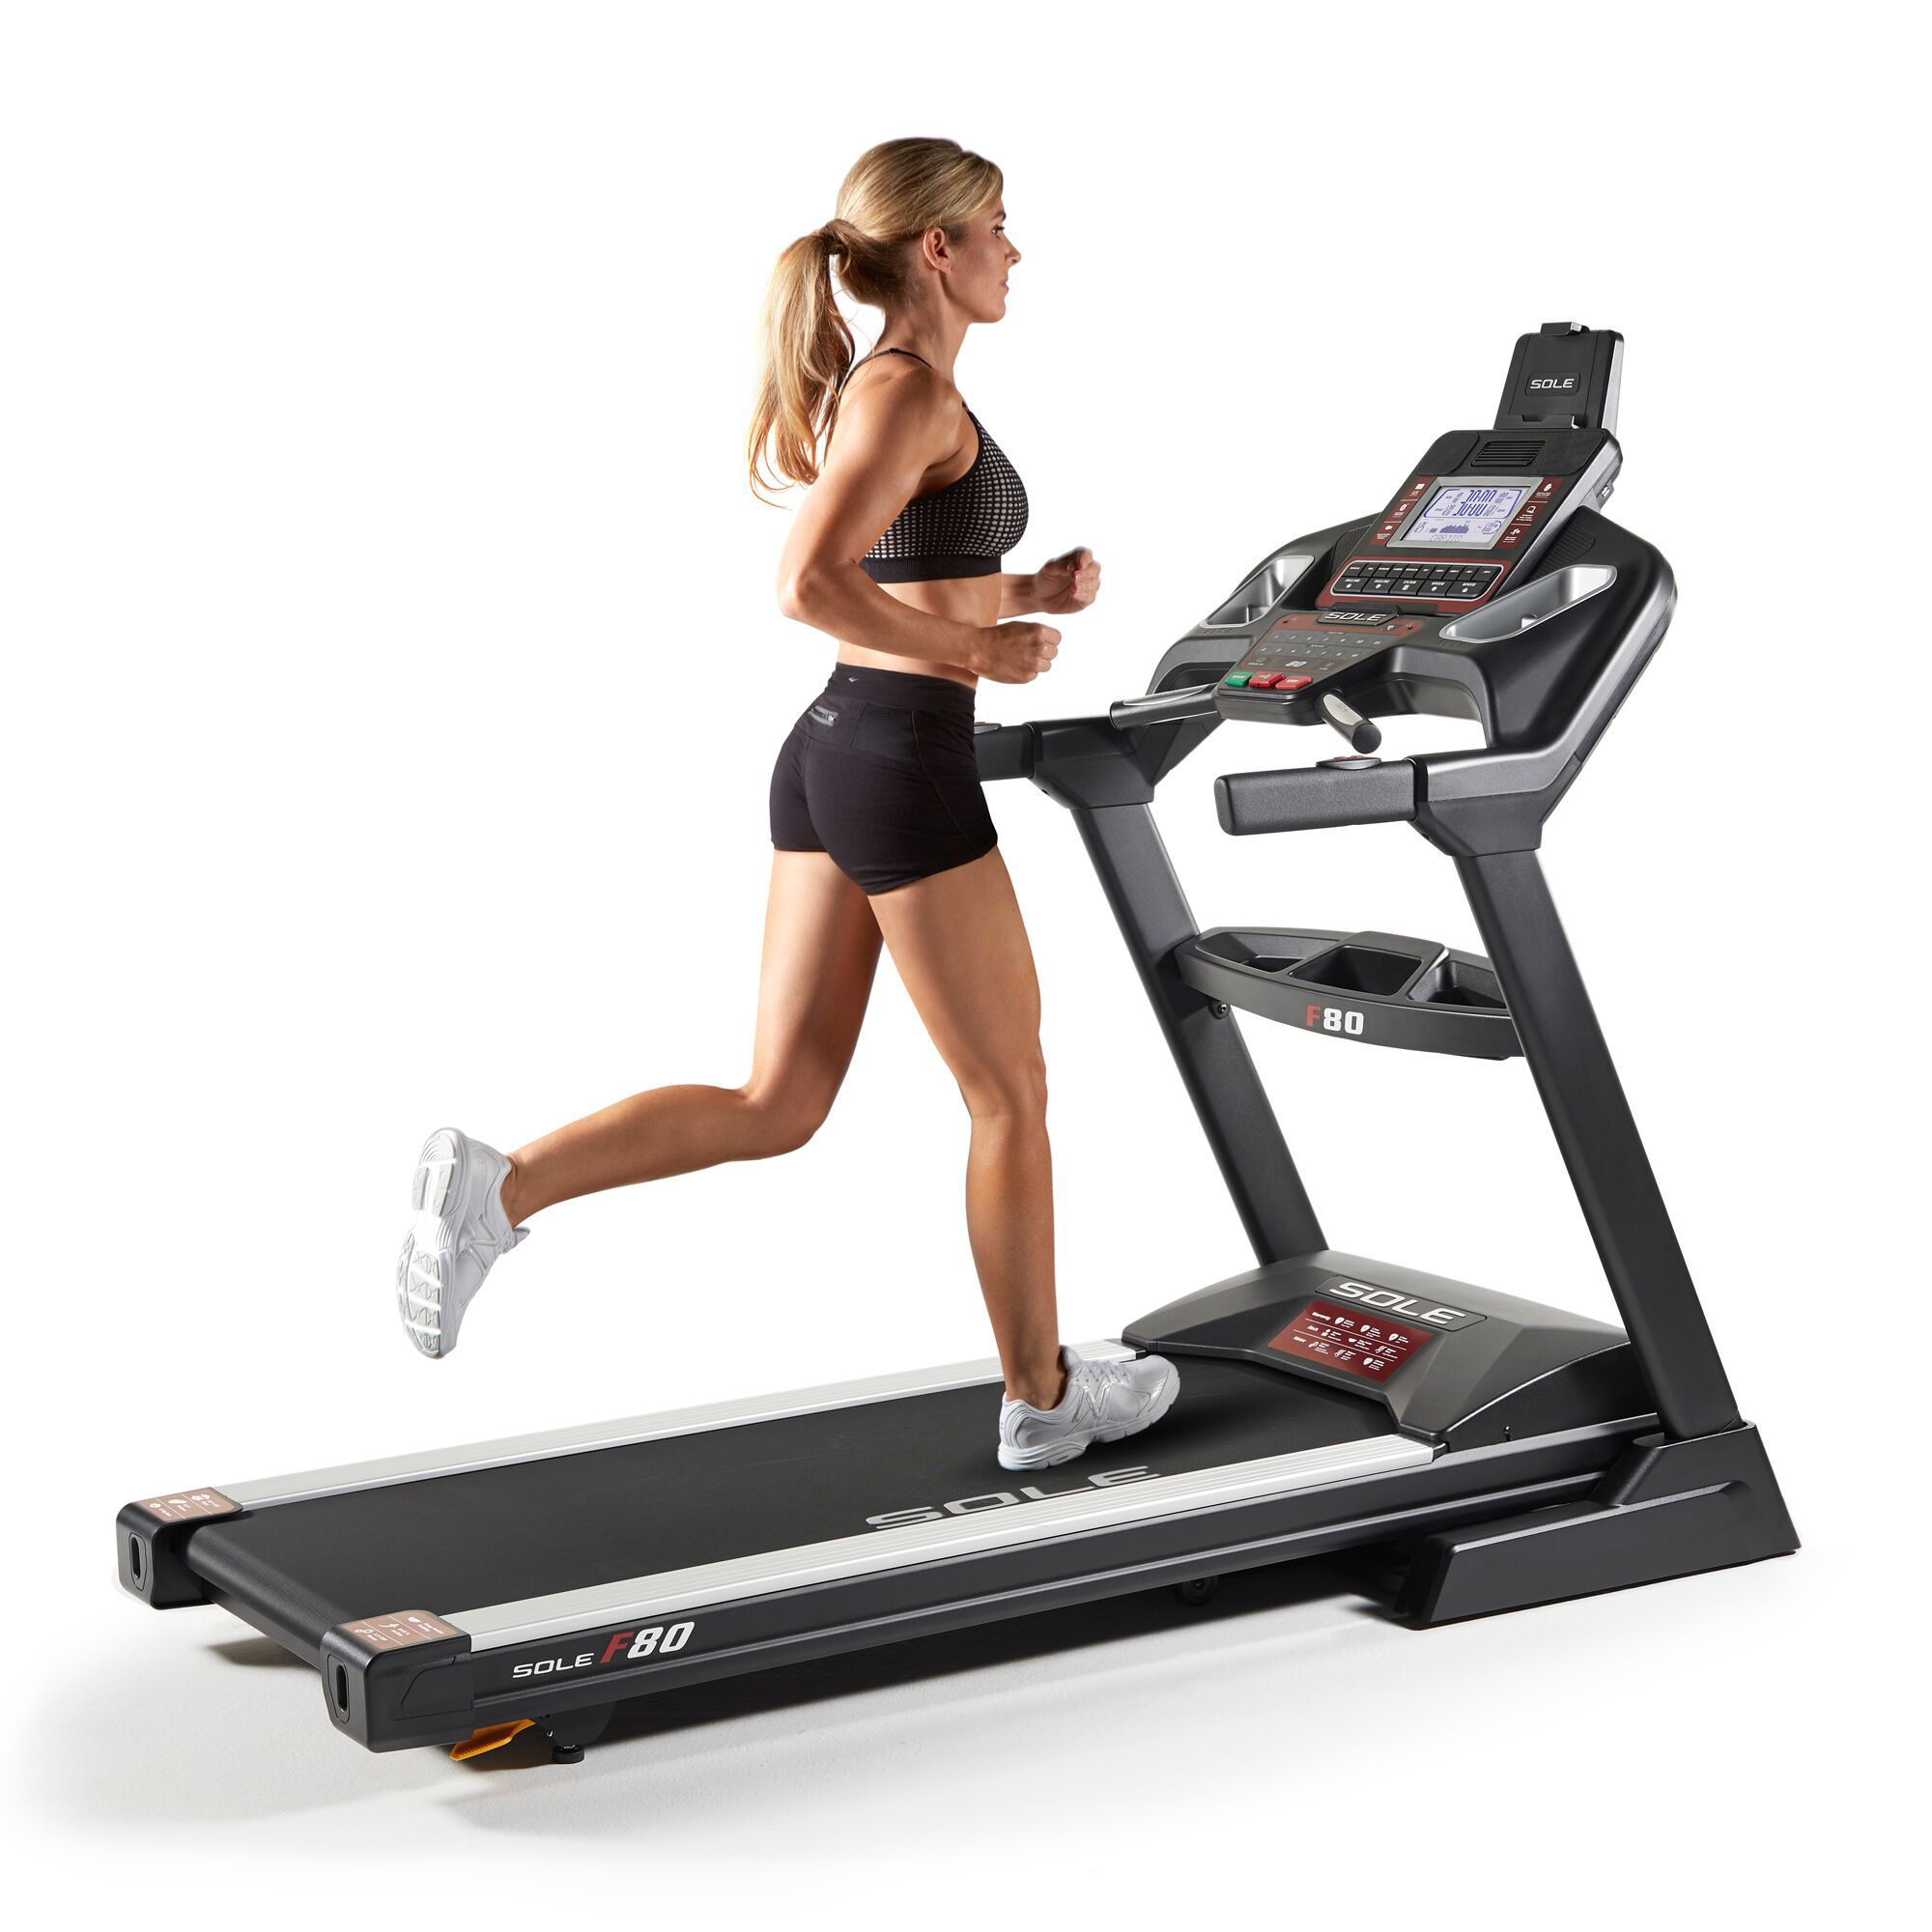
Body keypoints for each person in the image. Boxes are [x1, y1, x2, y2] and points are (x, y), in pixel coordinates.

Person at [396, 136, 1178, 1471]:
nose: (1016, 249)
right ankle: (1043, 1398)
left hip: (839, 751)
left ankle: (501, 1186)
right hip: (899, 762)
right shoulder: (908, 391)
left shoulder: (901, 389)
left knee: (781, 1101)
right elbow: (807, 583)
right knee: (1009, 1092)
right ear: (938, 247)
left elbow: (891, 570)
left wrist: (1024, 595)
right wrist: (979, 652)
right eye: (997, 224)